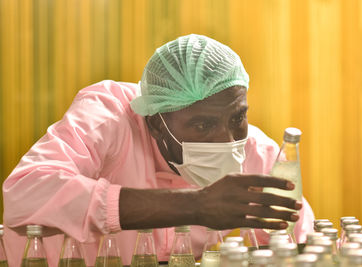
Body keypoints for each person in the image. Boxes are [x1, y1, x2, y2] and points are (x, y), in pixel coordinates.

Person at [2, 34, 314, 266]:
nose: (227, 139)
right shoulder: (109, 118)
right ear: (154, 124)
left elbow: (301, 243)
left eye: (238, 118)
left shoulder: (257, 153)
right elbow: (24, 197)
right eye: (203, 126)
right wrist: (195, 205)